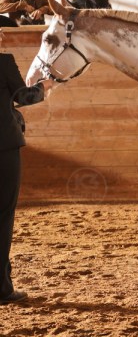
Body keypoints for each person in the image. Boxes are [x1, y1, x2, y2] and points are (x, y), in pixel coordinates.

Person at [0, 28, 53, 304]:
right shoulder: (3, 61)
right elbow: (24, 97)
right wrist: (45, 86)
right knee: (3, 215)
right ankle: (2, 288)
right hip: (3, 147)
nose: (1, 37)